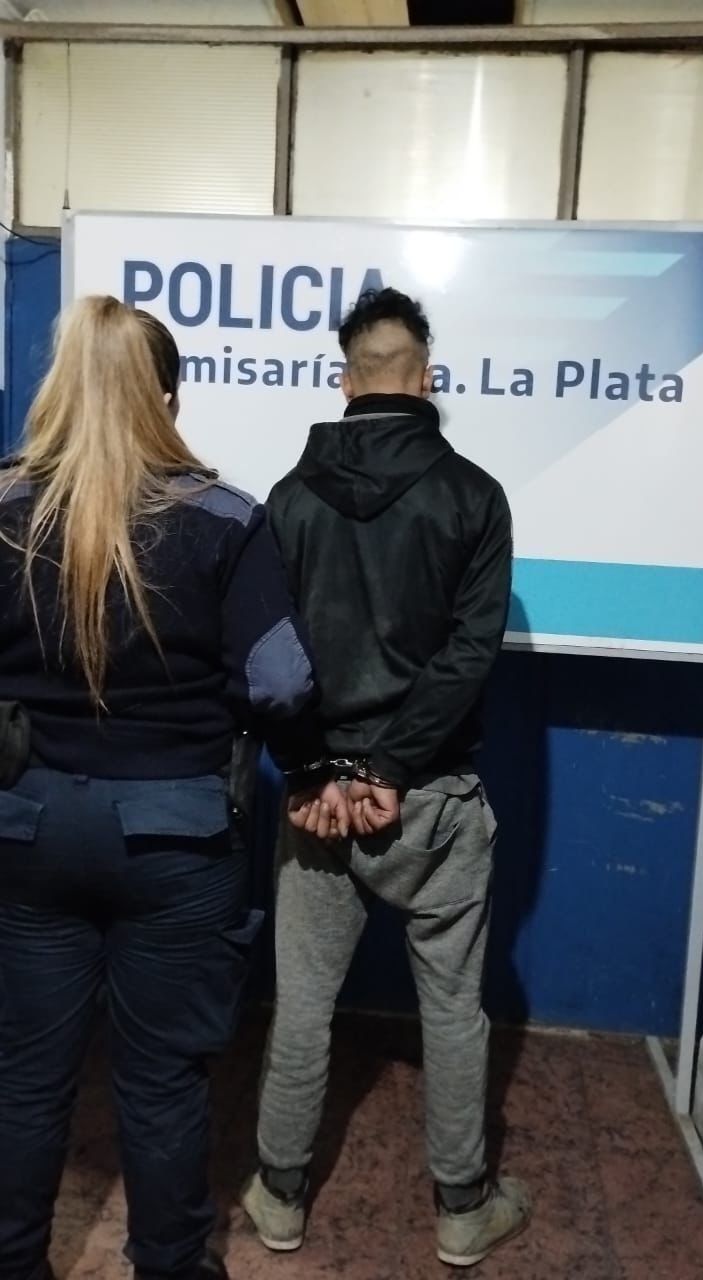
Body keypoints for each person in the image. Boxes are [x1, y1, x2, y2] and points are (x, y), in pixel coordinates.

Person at [0, 296, 330, 1280]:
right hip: (176, 836)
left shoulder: (5, 507)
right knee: (163, 1083)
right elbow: (279, 681)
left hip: (25, 826)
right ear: (168, 399)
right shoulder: (226, 518)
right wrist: (307, 761)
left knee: (23, 1077)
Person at [242, 287, 531, 1269]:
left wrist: (318, 771)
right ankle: (461, 1209)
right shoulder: (475, 496)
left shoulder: (287, 499)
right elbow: (468, 655)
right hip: (431, 796)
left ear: (345, 380)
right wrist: (394, 768)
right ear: (427, 378)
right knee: (452, 1008)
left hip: (319, 805)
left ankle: (281, 1197)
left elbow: (272, 661)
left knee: (302, 1004)